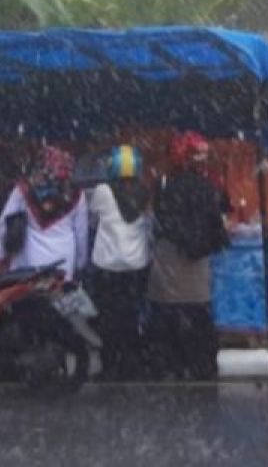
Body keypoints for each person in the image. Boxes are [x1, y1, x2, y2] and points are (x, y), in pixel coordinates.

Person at [146, 132, 229, 380]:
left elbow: (161, 219)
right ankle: (201, 366)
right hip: (197, 265)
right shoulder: (208, 187)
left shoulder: (164, 186)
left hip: (168, 261)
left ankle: (169, 365)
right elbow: (217, 226)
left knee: (166, 314)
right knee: (198, 315)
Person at [84, 145, 153, 380]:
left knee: (108, 317)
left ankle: (110, 364)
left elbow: (92, 217)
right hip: (137, 266)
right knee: (132, 316)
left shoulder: (102, 191)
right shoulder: (144, 191)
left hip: (108, 266)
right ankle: (131, 363)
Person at [0, 145, 89, 281]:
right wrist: (80, 263)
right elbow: (81, 233)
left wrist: (1, 254)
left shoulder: (24, 188)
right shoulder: (76, 194)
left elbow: (4, 222)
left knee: (31, 298)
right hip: (64, 262)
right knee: (59, 298)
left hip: (30, 263)